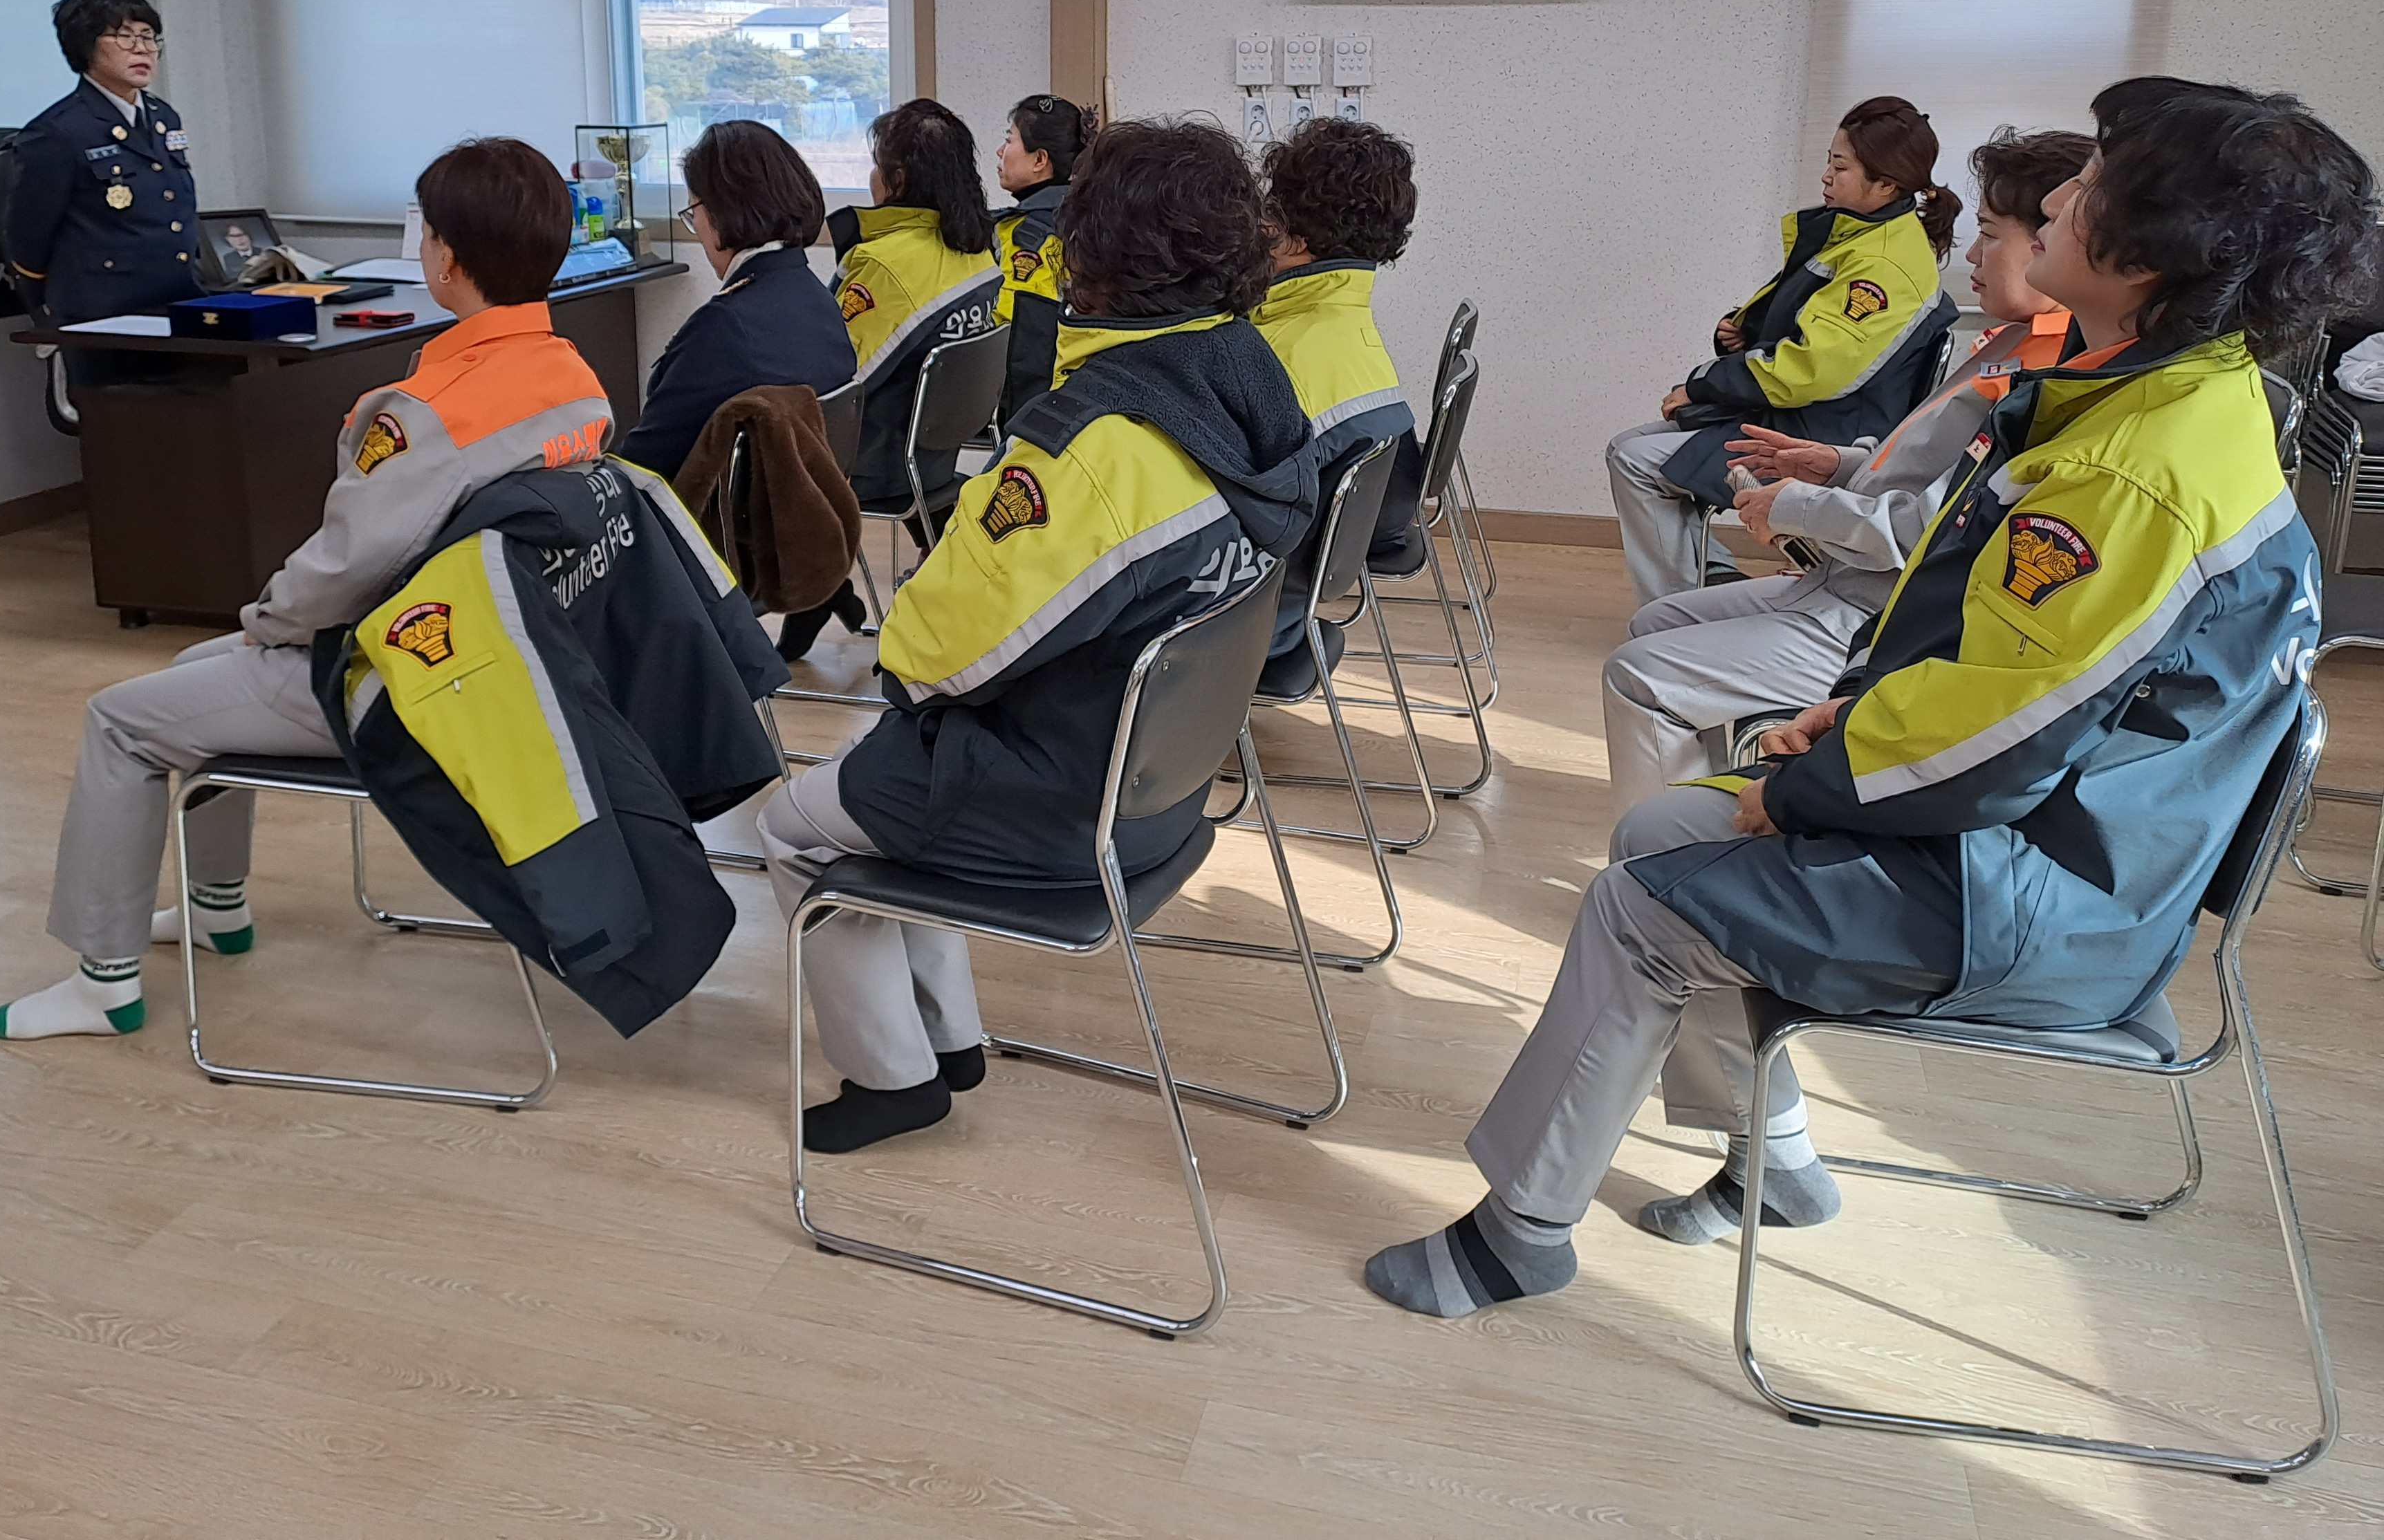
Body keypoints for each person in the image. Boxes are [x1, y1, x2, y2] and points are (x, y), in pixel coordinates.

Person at [1365, 77, 2374, 1321]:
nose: (2061, 198)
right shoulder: (2166, 399)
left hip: (2044, 900)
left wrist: (1802, 790)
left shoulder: (2134, 469)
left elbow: (2002, 741)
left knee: (1647, 902)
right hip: (2059, 845)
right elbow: (2016, 667)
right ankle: (1775, 1163)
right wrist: (1847, 720)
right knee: (1660, 832)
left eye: (2092, 183)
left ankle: (1519, 1235)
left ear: (2157, 253)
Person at [758, 117, 1320, 1153]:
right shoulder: (1250, 382)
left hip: (1061, 802)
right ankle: (950, 1040)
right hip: (1156, 784)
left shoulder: (1095, 447)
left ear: (1085, 257)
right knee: (880, 768)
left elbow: (927, 655)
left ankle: (894, 1077)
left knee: (794, 828)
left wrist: (952, 576)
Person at [0, 138, 613, 1041]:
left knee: (119, 719)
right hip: (505, 664)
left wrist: (265, 622)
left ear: (445, 256)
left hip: (402, 681)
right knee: (196, 675)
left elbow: (345, 567)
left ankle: (101, 980)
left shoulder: (432, 411)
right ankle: (216, 907)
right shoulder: (573, 376)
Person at [1600, 129, 2091, 812]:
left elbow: (1929, 522)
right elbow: (1933, 466)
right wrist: (1839, 465)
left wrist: (1792, 504)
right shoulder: (2010, 341)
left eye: (1988, 235)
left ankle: (1674, 843)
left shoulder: (2041, 374)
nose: (1972, 255)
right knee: (1657, 623)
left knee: (1639, 671)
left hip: (1880, 615)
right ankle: (1703, 804)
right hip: (1850, 574)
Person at [1607, 98, 1961, 607]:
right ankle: (1710, 581)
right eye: (1830, 161)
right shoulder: (1858, 232)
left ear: (1886, 185)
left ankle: (1677, 610)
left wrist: (1702, 385)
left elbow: (1810, 370)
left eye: (1840, 166)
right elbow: (1809, 324)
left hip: (1824, 435)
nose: (1826, 176)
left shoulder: (1883, 264)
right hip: (1801, 412)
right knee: (1628, 448)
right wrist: (1745, 331)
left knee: (1637, 462)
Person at [778, 98, 1001, 660]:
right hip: (933, 452)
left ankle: (812, 591)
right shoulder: (978, 246)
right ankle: (830, 591)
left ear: (897, 180)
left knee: (757, 440)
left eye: (877, 165)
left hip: (877, 460)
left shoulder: (882, 264)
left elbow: (831, 373)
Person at [1251, 115, 1423, 684]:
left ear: (1294, 239)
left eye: (1268, 211)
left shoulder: (1279, 358)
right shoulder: (1348, 330)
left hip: (1240, 632)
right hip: (1289, 607)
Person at [616, 119, 854, 481]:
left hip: (724, 516)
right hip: (812, 508)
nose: (697, 231)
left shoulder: (724, 326)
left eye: (693, 214)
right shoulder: (819, 297)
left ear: (721, 212)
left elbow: (643, 466)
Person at [1, 0, 203, 360]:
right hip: (103, 315)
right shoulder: (57, 132)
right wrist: (48, 310)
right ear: (86, 46)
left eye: (148, 37)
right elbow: (28, 238)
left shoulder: (163, 117)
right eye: (125, 36)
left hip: (177, 300)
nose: (142, 50)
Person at [992, 93, 1089, 425]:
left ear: (1040, 160)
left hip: (1036, 409)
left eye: (1010, 140)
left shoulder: (1029, 238)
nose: (1001, 152)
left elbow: (1021, 341)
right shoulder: (1086, 214)